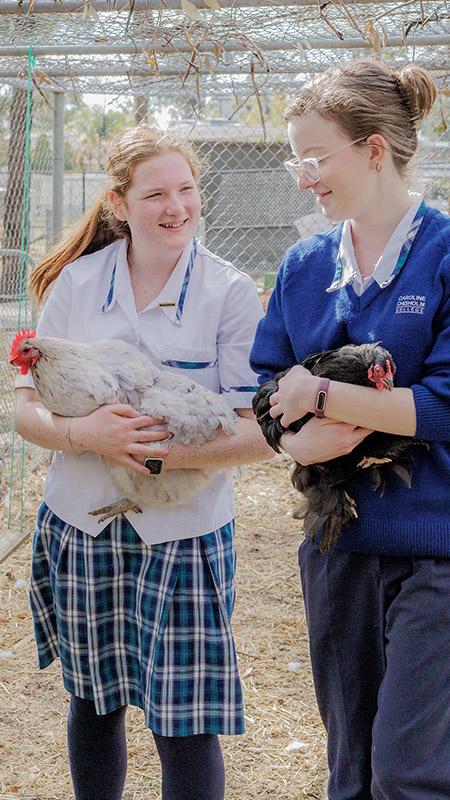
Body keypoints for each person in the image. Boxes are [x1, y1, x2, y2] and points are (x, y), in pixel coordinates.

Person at [14, 124, 273, 800]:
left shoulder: (228, 292)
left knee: (183, 724)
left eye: (187, 189)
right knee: (94, 703)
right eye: (156, 193)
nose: (177, 207)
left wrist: (156, 450)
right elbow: (25, 412)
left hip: (183, 530)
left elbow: (259, 432)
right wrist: (88, 436)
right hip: (82, 520)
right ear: (120, 204)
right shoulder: (77, 282)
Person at [250, 59, 450, 799]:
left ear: (373, 149)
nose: (303, 176)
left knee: (410, 774)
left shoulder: (444, 252)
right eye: (293, 157)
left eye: (315, 156)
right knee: (352, 772)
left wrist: (321, 397)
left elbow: (446, 406)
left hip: (435, 551)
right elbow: (265, 389)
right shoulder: (305, 264)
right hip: (337, 543)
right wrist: (293, 439)